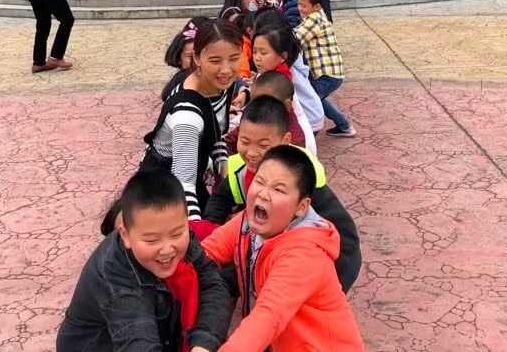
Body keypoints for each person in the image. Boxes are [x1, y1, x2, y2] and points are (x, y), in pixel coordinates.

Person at [201, 146, 367, 352]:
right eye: (259, 182)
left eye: (278, 190)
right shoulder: (246, 223)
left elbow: (267, 317)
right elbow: (207, 253)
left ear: (301, 207)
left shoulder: (304, 255)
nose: (263, 194)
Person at [57, 170, 230, 352]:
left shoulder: (180, 233)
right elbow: (138, 342)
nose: (167, 249)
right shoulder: (115, 274)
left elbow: (213, 283)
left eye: (177, 234)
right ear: (125, 235)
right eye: (152, 240)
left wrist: (203, 344)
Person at [204, 96, 361, 293]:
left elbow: (346, 239)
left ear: (285, 141)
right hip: (266, 250)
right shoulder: (240, 168)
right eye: (245, 141)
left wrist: (332, 285)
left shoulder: (301, 177)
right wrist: (211, 226)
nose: (252, 153)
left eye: (263, 146)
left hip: (309, 267)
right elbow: (219, 201)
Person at [141, 20, 243, 221]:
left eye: (234, 58)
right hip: (162, 190)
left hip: (193, 176)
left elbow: (216, 130)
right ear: (196, 58)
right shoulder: (187, 115)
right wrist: (196, 230)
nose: (226, 69)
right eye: (215, 61)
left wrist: (222, 164)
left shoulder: (220, 84)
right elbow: (183, 183)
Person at [250, 13, 323, 146]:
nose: (257, 58)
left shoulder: (278, 81)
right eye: (254, 51)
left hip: (305, 125)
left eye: (263, 52)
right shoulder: (274, 69)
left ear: (282, 56)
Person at [295, 0, 355, 137]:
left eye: (304, 6)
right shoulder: (316, 16)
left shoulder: (314, 19)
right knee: (315, 98)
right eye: (298, 4)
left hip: (326, 74)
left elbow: (295, 38)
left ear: (316, 6)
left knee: (311, 99)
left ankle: (309, 134)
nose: (300, 8)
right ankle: (344, 125)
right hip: (329, 73)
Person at [161, 16, 211, 101]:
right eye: (189, 56)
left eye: (201, 55)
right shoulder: (182, 80)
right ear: (178, 58)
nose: (196, 61)